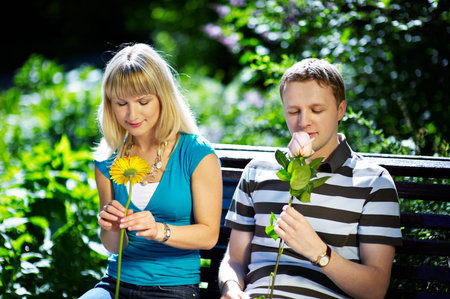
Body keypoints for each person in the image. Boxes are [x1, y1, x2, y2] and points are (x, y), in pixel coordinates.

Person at [218, 58, 402, 299]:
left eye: (317, 110)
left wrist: (318, 252)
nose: (303, 121)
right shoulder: (257, 172)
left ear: (340, 110)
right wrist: (230, 287)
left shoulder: (373, 182)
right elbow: (234, 259)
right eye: (293, 111)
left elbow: (375, 289)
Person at [79, 43, 222, 299]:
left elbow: (209, 236)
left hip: (172, 287)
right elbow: (114, 247)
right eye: (121, 103)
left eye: (143, 101)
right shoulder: (106, 160)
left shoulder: (196, 154)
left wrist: (159, 230)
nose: (132, 114)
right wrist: (112, 228)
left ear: (163, 98)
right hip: (116, 283)